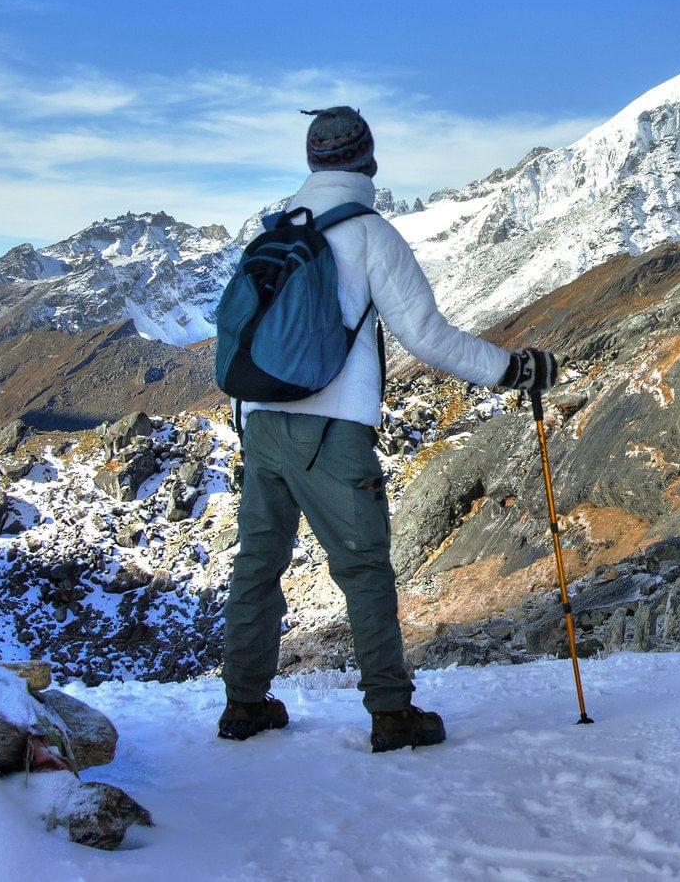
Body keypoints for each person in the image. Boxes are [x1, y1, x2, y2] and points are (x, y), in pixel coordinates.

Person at [217, 106, 560, 752]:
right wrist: (513, 369)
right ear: (366, 160)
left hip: (259, 420)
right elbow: (426, 337)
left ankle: (244, 703)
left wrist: (249, 424)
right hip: (331, 429)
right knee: (364, 567)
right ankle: (390, 712)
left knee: (258, 565)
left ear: (314, 160)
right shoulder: (369, 233)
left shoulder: (271, 232)